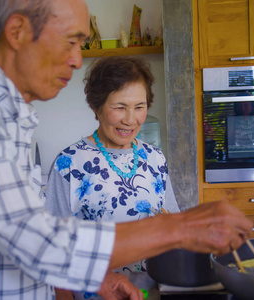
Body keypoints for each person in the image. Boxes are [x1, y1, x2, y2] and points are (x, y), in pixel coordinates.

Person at [0, 0, 253, 299]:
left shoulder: (4, 119)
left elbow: (13, 244)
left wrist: (97, 280)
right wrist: (183, 227)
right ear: (17, 32)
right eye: (71, 41)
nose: (77, 59)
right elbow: (39, 243)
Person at [45, 56, 180, 299]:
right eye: (119, 107)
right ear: (96, 107)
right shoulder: (69, 163)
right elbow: (55, 250)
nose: (130, 119)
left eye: (139, 107)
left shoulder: (155, 158)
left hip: (152, 293)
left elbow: (172, 228)